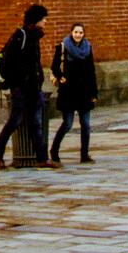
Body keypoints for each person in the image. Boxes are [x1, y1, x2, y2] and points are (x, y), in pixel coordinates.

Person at [0, 4, 56, 170]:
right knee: (14, 121)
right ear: (36, 20)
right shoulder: (21, 36)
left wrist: (38, 80)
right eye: (44, 19)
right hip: (20, 89)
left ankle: (42, 158)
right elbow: (9, 61)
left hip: (33, 88)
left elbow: (34, 64)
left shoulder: (35, 37)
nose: (46, 21)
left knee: (36, 122)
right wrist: (19, 81)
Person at [50, 23, 98, 163]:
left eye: (81, 33)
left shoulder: (87, 48)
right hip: (68, 91)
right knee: (68, 123)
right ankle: (54, 150)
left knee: (86, 124)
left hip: (84, 91)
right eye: (76, 32)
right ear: (71, 32)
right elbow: (54, 65)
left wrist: (93, 92)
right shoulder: (63, 47)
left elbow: (91, 71)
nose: (78, 35)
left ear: (84, 34)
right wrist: (60, 76)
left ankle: (84, 154)